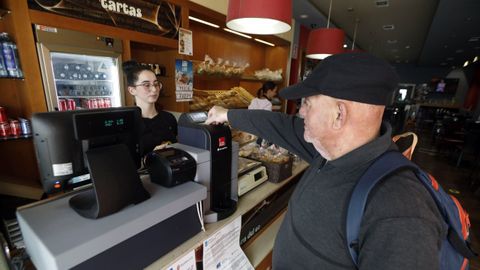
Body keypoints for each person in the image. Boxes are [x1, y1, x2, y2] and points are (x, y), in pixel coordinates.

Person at [205, 52, 445, 269]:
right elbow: (281, 125)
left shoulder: (400, 211)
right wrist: (227, 115)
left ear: (339, 115)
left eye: (307, 103)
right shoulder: (329, 148)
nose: (300, 112)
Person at [123, 61, 177, 156]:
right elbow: (124, 163)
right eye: (146, 85)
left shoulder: (169, 118)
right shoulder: (127, 125)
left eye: (156, 84)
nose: (154, 89)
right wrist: (152, 156)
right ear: (132, 90)